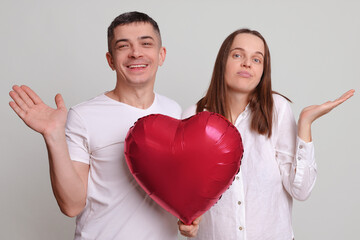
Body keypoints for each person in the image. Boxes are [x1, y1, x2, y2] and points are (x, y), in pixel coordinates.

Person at [9, 11, 185, 239]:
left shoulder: (174, 111)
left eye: (146, 43)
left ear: (161, 55)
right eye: (123, 46)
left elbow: (176, 189)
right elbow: (71, 205)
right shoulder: (84, 116)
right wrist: (54, 136)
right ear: (111, 60)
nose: (136, 53)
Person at [178, 28, 354, 239]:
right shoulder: (193, 116)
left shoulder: (277, 110)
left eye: (256, 59)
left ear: (263, 70)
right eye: (237, 55)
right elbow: (187, 193)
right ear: (222, 61)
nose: (247, 63)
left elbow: (301, 191)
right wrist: (186, 222)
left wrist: (305, 124)